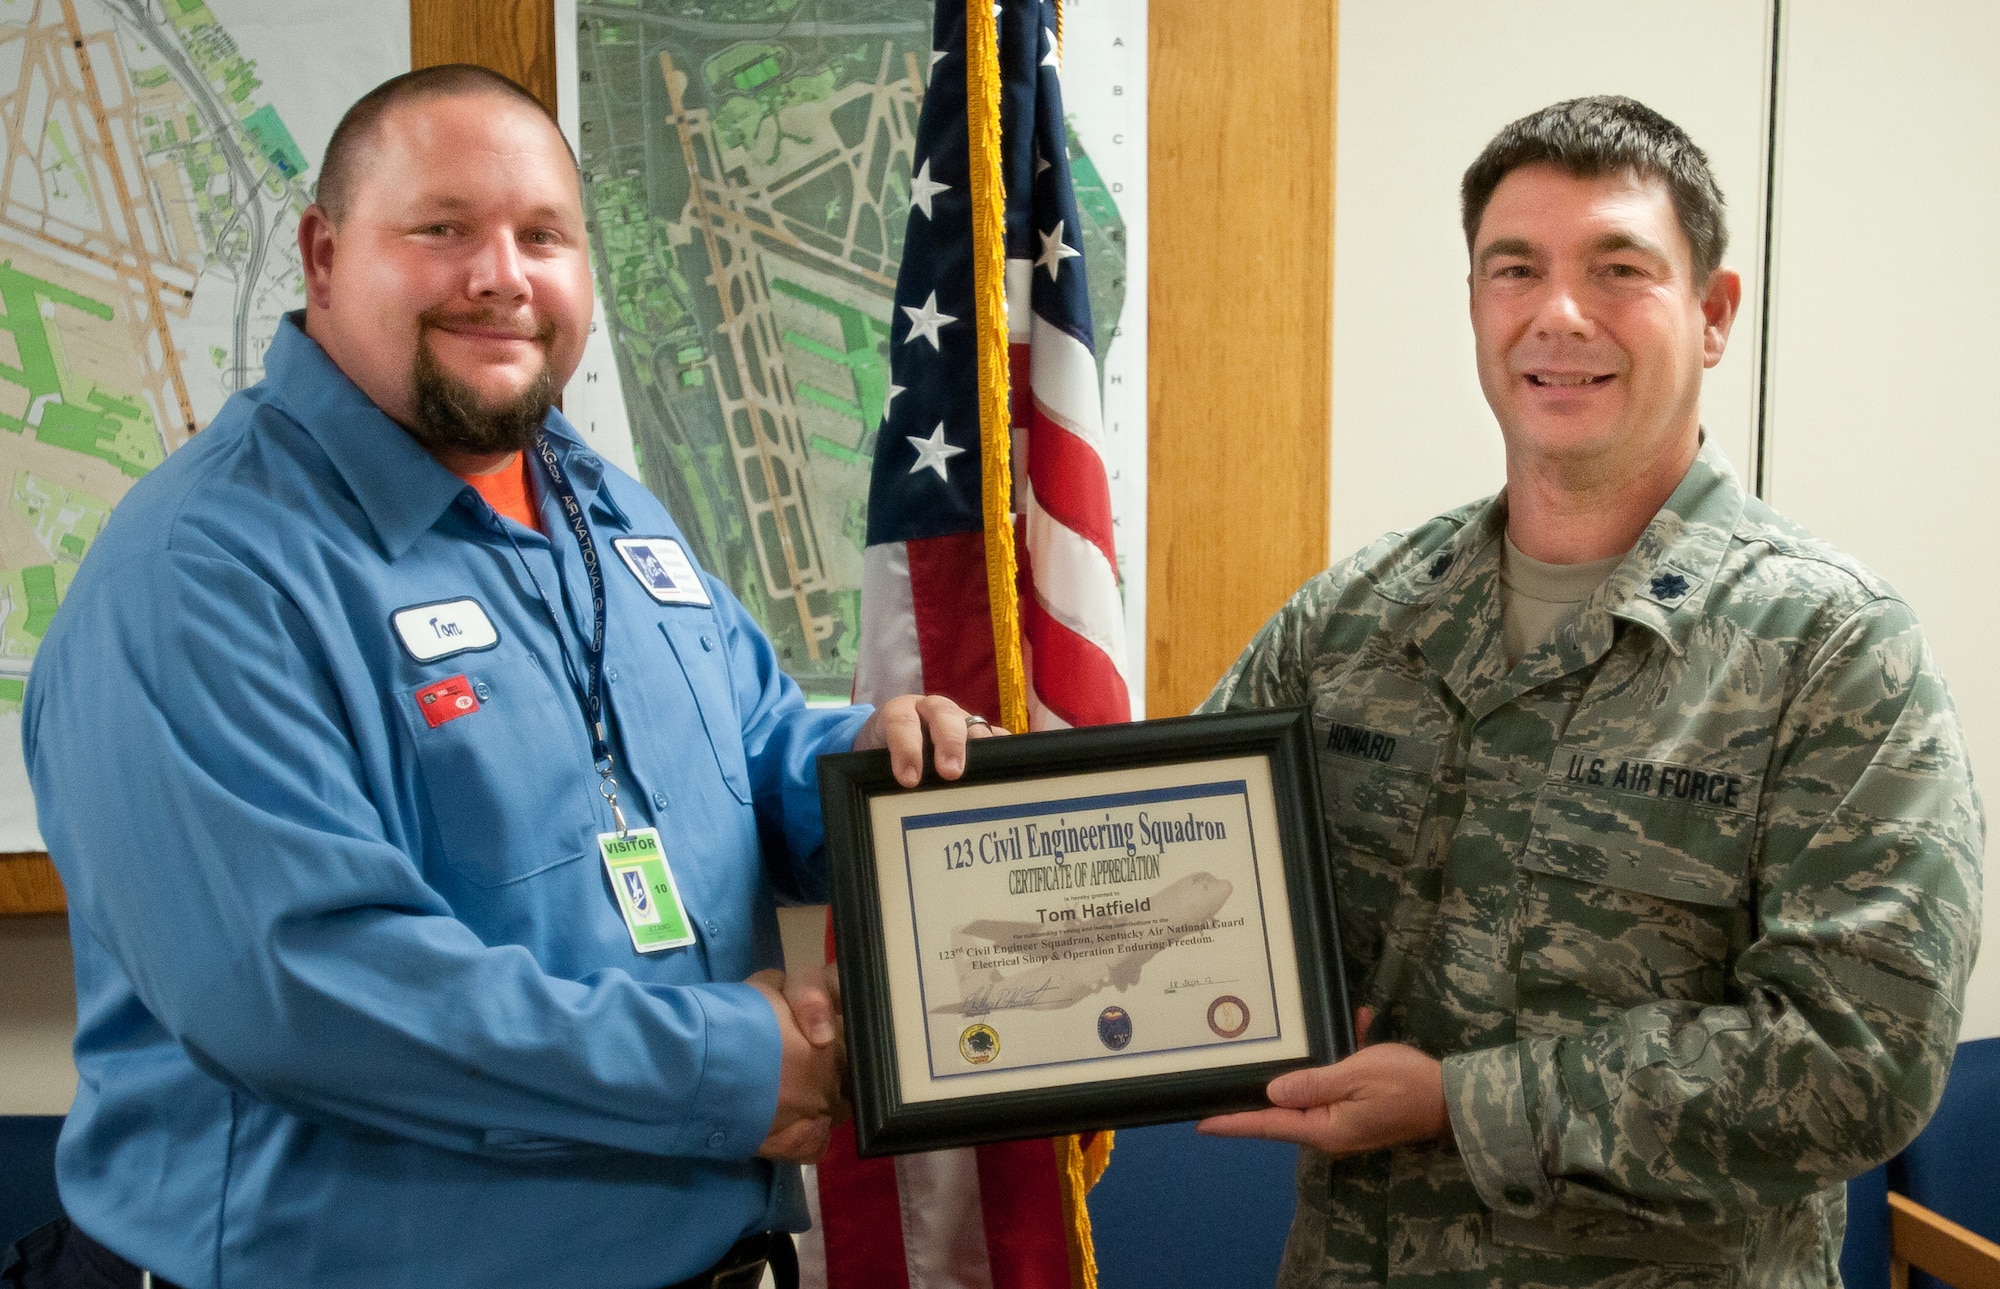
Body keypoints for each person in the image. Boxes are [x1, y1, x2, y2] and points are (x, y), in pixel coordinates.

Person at [16, 65, 986, 1289]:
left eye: (543, 235)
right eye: (443, 230)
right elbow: (304, 987)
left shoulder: (598, 504)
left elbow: (745, 741)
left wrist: (881, 769)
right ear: (322, 256)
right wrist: (724, 1063)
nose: (501, 276)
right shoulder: (198, 575)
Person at [1198, 97, 1982, 1287]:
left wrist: (1462, 1100)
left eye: (1617, 269)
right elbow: (1167, 883)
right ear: (1473, 301)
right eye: (1513, 268)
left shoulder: (1831, 649)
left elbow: (1858, 1057)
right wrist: (949, 793)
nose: (1556, 314)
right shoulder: (1349, 619)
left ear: (1712, 314)